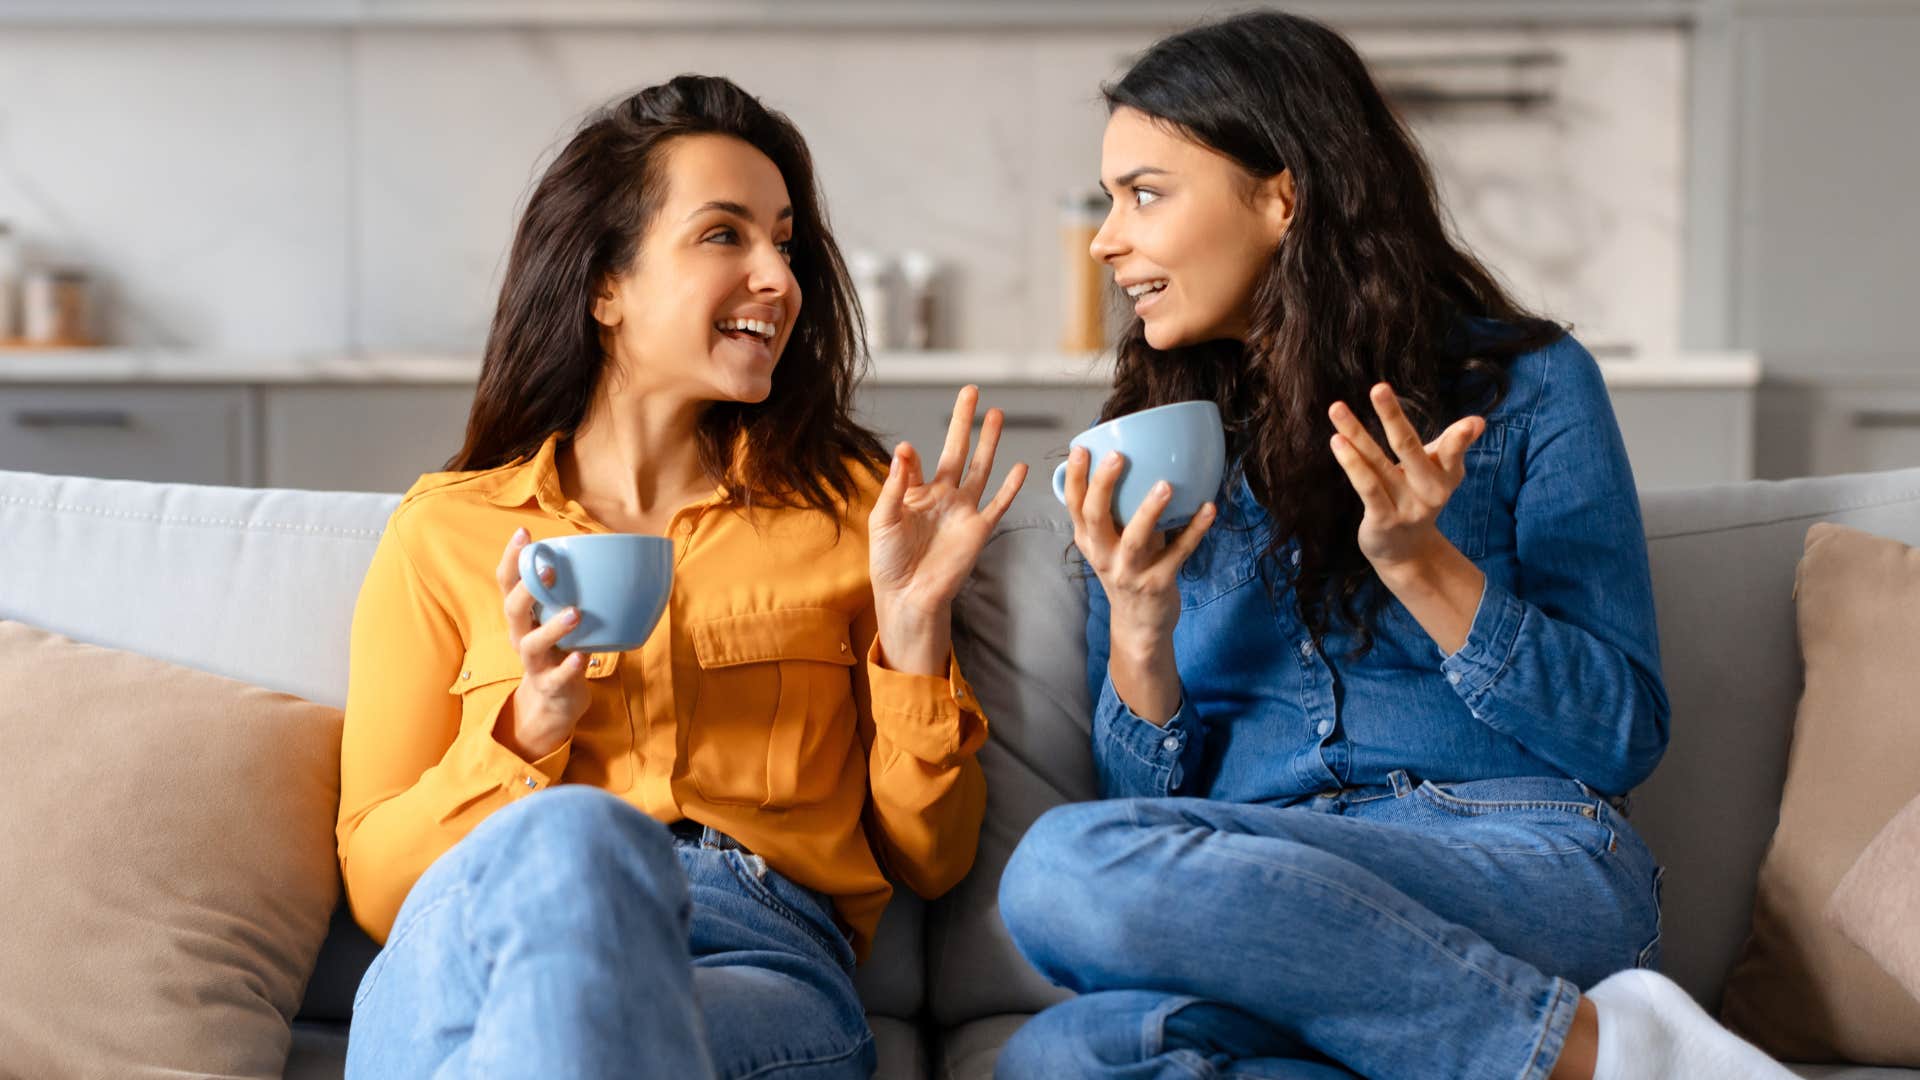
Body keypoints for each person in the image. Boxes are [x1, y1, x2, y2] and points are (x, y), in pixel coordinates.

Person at [995, 12, 1791, 1080]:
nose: (1106, 238)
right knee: (1066, 1054)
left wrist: (1425, 567)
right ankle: (1586, 1053)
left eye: (1144, 193)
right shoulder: (1157, 437)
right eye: (1109, 201)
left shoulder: (1527, 386)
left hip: (1519, 861)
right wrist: (1140, 624)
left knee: (1059, 874)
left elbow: (1619, 737)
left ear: (1282, 196)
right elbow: (1144, 809)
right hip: (1269, 891)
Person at [337, 74, 1025, 1079]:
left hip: (752, 959)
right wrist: (528, 731)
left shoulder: (853, 514)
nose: (779, 278)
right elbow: (378, 888)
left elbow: (932, 858)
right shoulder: (445, 532)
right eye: (725, 236)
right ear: (603, 287)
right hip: (468, 946)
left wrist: (915, 634)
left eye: (784, 243)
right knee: (572, 840)